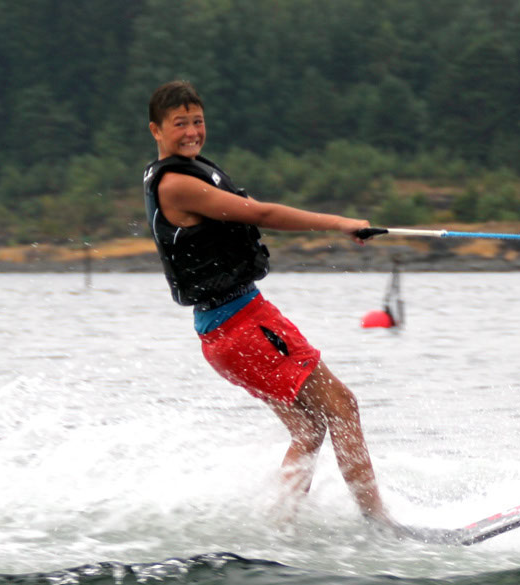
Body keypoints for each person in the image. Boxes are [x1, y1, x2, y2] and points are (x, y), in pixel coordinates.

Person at [143, 80, 399, 530]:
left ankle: (279, 527)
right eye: (179, 124)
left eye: (197, 121)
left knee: (309, 428)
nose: (192, 132)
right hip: (243, 325)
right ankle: (380, 525)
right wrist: (340, 223)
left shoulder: (190, 173)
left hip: (225, 329)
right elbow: (261, 215)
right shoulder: (177, 184)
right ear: (156, 131)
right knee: (343, 407)